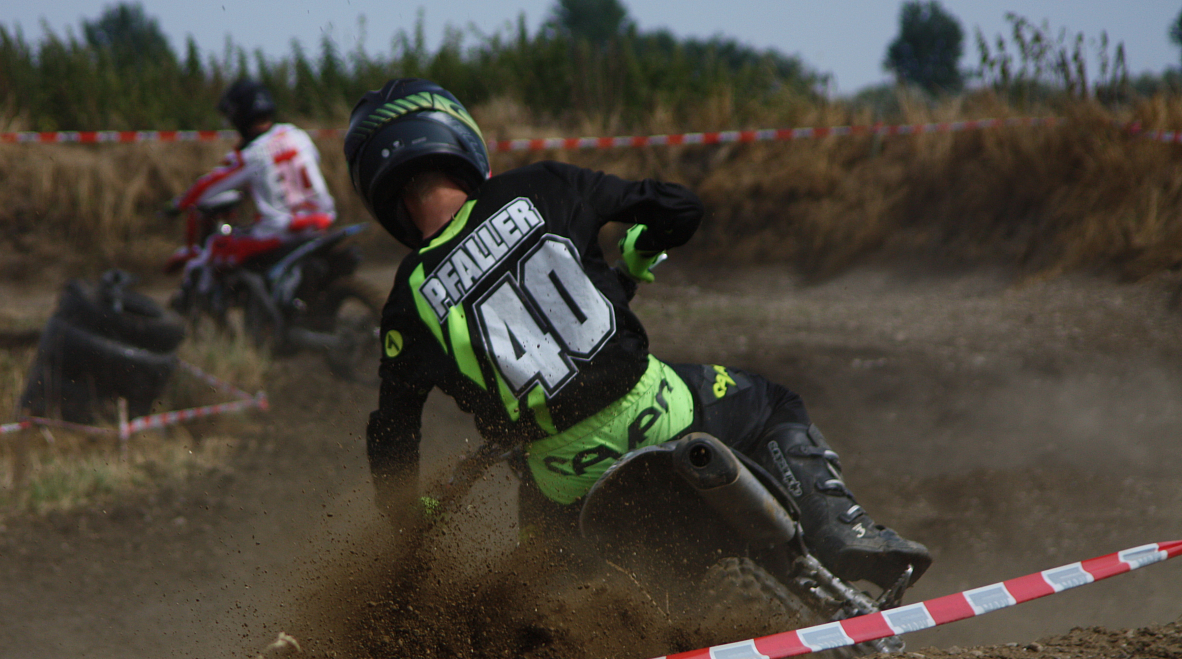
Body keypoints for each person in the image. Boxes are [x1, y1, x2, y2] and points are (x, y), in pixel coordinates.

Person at [343, 79, 931, 589]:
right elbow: (680, 208)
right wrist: (645, 246)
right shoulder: (542, 184)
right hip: (661, 412)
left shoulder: (406, 299)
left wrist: (409, 514)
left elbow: (393, 431)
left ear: (380, 190)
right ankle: (844, 534)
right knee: (773, 402)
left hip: (563, 478)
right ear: (458, 139)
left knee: (533, 585)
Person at [168, 79, 336, 299]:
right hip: (321, 221)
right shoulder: (298, 135)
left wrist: (180, 203)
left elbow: (209, 186)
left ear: (239, 116)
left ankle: (202, 306)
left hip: (280, 231)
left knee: (215, 246)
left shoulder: (251, 154)